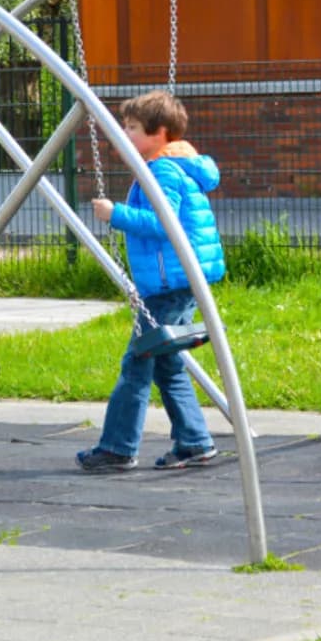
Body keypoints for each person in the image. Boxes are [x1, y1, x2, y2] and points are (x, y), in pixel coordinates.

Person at [77, 90, 225, 472]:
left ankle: (117, 447)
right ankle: (194, 442)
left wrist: (116, 214)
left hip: (168, 284)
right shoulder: (176, 165)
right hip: (178, 280)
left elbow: (165, 224)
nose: (124, 134)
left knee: (137, 363)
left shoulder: (161, 170)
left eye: (131, 128)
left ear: (159, 132)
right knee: (167, 363)